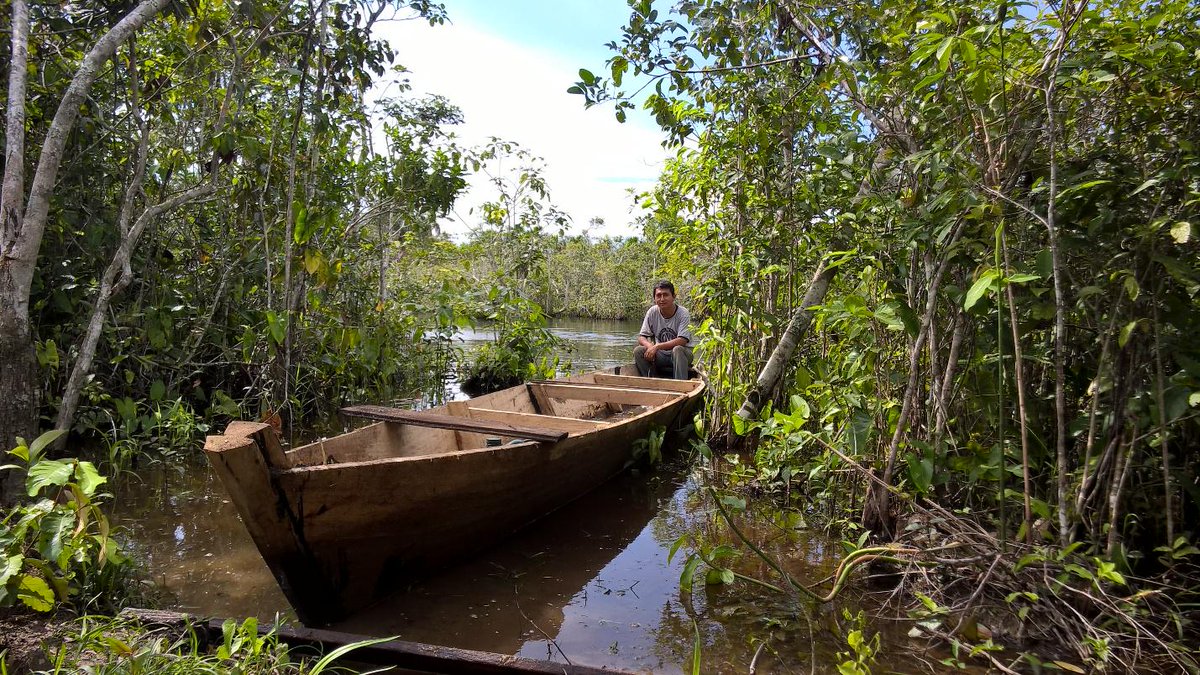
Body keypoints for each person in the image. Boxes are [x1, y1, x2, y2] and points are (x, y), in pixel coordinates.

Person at [634, 281, 693, 379]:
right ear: (654, 298)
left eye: (665, 295)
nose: (662, 299)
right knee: (638, 351)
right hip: (661, 355)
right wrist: (650, 346)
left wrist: (657, 346)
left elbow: (682, 340)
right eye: (658, 295)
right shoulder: (652, 312)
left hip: (682, 355)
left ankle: (680, 383)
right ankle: (651, 380)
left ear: (673, 296)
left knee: (677, 349)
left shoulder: (683, 313)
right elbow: (641, 337)